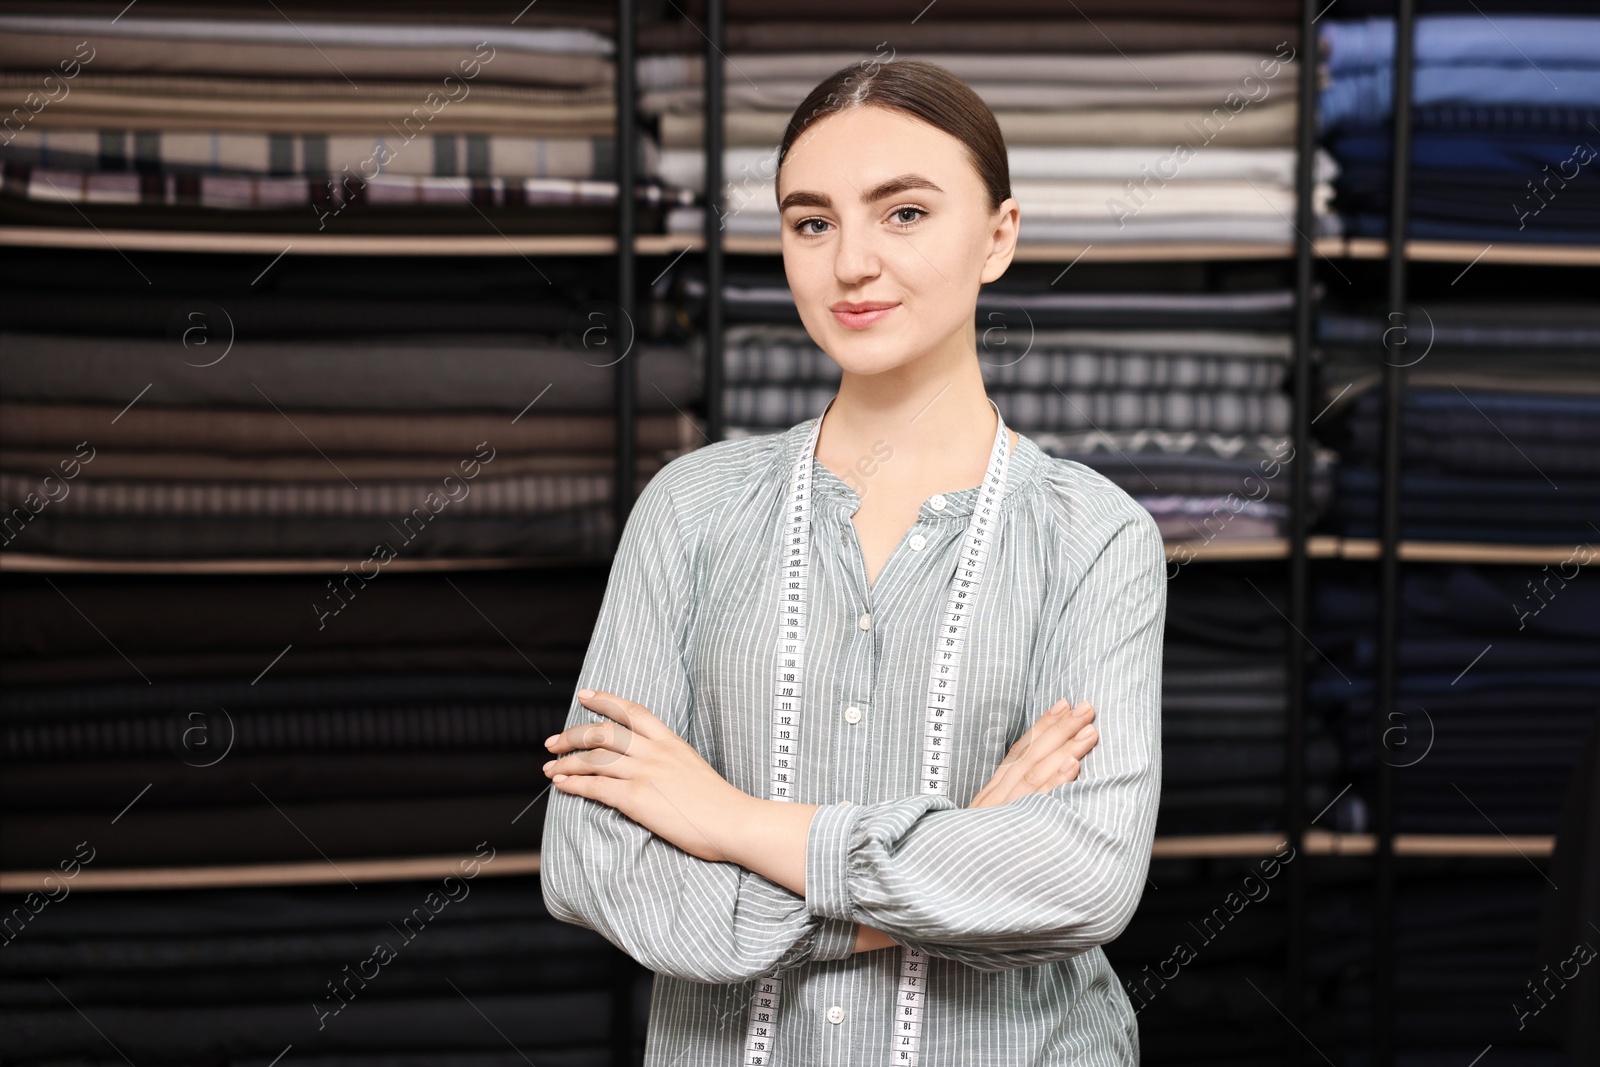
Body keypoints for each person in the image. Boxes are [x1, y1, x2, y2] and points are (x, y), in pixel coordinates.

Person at [539, 58, 1164, 1066]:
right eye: (811, 221)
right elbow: (591, 864)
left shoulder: (1094, 536)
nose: (850, 264)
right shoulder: (689, 510)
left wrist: (729, 820)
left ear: (999, 235)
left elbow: (1082, 878)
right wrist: (953, 858)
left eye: (904, 213)